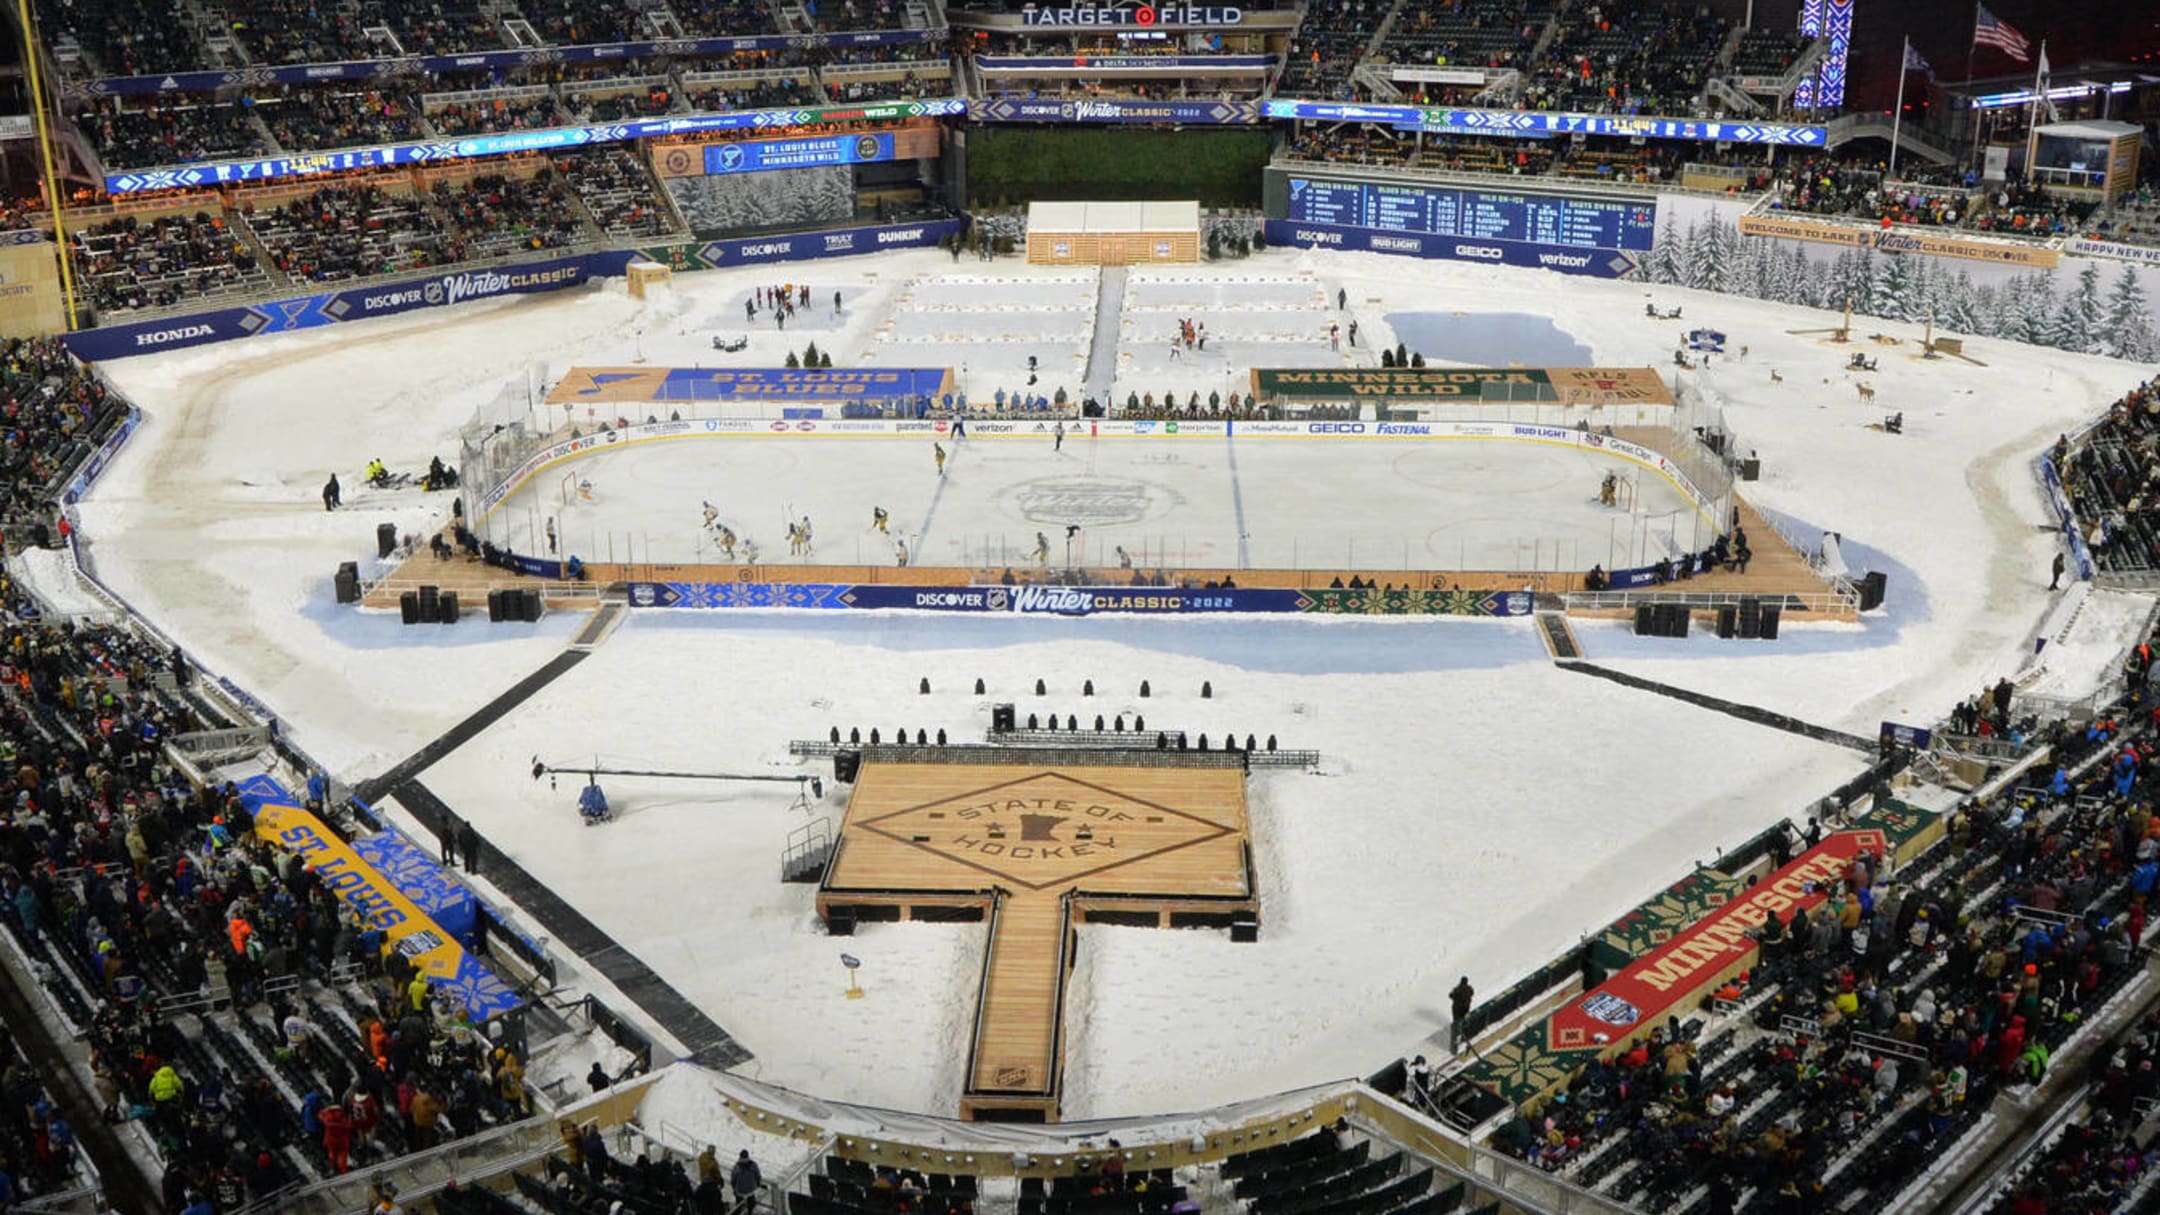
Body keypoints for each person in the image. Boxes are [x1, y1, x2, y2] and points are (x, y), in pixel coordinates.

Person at [1449, 976, 1475, 1052]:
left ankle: (1455, 1043)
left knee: (1456, 1024)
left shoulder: (1457, 989)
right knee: (1464, 1023)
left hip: (1457, 1010)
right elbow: (1472, 993)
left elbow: (1451, 996)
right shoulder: (1469, 988)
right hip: (1466, 1010)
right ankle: (1464, 1036)